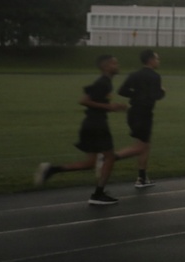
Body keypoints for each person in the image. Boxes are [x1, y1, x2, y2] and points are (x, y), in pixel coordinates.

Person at [34, 54, 128, 205]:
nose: (117, 66)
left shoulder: (105, 82)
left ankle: (51, 170)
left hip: (90, 124)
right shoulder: (103, 82)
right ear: (105, 66)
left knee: (90, 163)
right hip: (97, 125)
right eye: (114, 64)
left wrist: (112, 107)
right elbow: (84, 100)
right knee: (110, 157)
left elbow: (92, 99)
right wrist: (110, 107)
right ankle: (98, 194)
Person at [110, 49, 165, 188]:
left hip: (133, 112)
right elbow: (156, 96)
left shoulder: (134, 75)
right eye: (157, 59)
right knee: (141, 147)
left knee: (144, 145)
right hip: (144, 114)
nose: (158, 61)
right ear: (151, 60)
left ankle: (142, 178)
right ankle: (109, 158)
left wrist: (136, 94)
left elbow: (122, 91)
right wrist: (162, 91)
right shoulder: (155, 76)